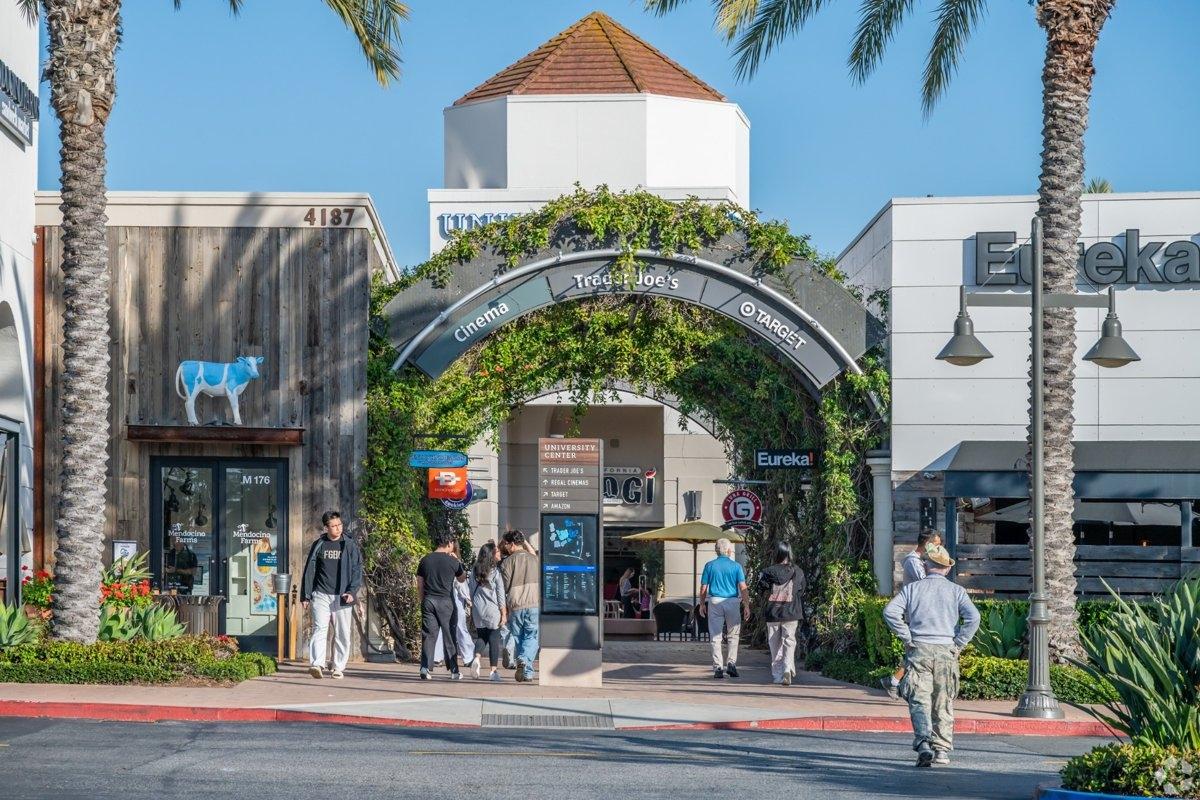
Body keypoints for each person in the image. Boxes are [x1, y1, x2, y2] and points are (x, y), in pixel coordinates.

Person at [882, 544, 980, 768]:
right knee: (943, 701)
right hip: (946, 650)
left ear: (926, 566)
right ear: (946, 569)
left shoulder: (913, 589)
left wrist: (906, 636)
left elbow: (890, 612)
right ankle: (943, 750)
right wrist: (959, 643)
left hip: (919, 649)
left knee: (919, 700)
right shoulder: (957, 591)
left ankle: (924, 742)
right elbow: (973, 619)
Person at [300, 511, 363, 680]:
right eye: (334, 526)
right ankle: (317, 664)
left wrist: (352, 592)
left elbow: (357, 570)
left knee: (342, 632)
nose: (338, 528)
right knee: (320, 628)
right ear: (326, 527)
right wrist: (305, 595)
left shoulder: (349, 545)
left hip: (342, 596)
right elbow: (309, 570)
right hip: (321, 593)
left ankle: (338, 667)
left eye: (340, 525)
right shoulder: (319, 544)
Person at [881, 529, 943, 699]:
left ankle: (894, 681)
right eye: (937, 545)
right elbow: (926, 582)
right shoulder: (913, 561)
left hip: (924, 611)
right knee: (916, 650)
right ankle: (896, 682)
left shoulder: (921, 560)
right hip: (917, 613)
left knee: (916, 650)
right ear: (928, 544)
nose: (938, 549)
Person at [417, 527, 468, 680]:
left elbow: (420, 583)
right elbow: (462, 579)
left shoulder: (425, 559)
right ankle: (454, 671)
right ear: (449, 543)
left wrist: (422, 600)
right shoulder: (452, 561)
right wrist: (459, 562)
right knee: (449, 635)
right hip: (446, 602)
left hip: (429, 600)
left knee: (428, 635)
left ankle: (425, 668)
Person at [698, 537, 750, 679]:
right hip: (732, 601)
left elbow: (704, 587)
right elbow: (743, 587)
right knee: (733, 634)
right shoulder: (736, 566)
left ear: (716, 550)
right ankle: (731, 663)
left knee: (715, 636)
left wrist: (702, 604)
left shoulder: (709, 566)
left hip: (714, 601)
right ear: (728, 550)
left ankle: (718, 667)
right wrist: (746, 605)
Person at [757, 542, 805, 686]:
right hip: (791, 612)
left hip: (773, 612)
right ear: (790, 553)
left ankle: (777, 675)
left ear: (777, 553)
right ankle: (787, 667)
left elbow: (760, 589)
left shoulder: (767, 571)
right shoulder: (798, 571)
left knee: (774, 645)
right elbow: (802, 591)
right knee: (789, 642)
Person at [500, 529, 539, 683]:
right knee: (532, 637)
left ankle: (527, 670)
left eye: (506, 544)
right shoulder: (535, 559)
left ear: (511, 544)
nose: (505, 547)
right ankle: (524, 663)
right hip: (534, 603)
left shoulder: (507, 562)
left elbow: (505, 586)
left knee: (519, 638)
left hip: (515, 605)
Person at [469, 541, 508, 681]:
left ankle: (477, 658)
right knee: (494, 639)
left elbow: (470, 590)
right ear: (491, 555)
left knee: (481, 636)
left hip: (478, 608)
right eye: (497, 552)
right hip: (493, 609)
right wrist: (504, 613)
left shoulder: (474, 570)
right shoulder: (495, 572)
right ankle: (493, 672)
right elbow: (500, 594)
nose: (499, 553)